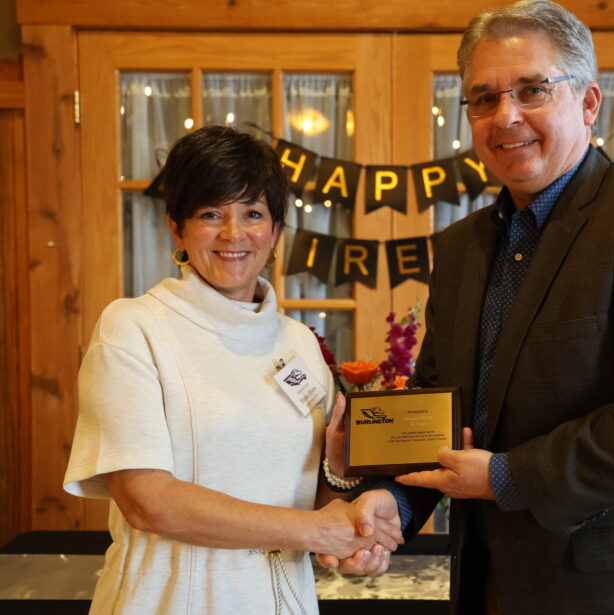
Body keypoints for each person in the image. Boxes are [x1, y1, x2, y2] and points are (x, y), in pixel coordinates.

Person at [319, 1, 614, 613]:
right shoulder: (462, 245)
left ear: (588, 102)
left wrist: (506, 478)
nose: (507, 116)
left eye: (532, 90)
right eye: (484, 98)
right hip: (495, 584)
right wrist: (389, 501)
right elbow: (436, 415)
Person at [63, 125, 401, 615]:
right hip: (167, 599)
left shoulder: (300, 344)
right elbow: (147, 500)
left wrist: (347, 496)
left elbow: (318, 504)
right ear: (177, 227)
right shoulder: (134, 328)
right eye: (210, 214)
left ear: (276, 231)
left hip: (284, 601)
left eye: (253, 214)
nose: (233, 234)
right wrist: (316, 531)